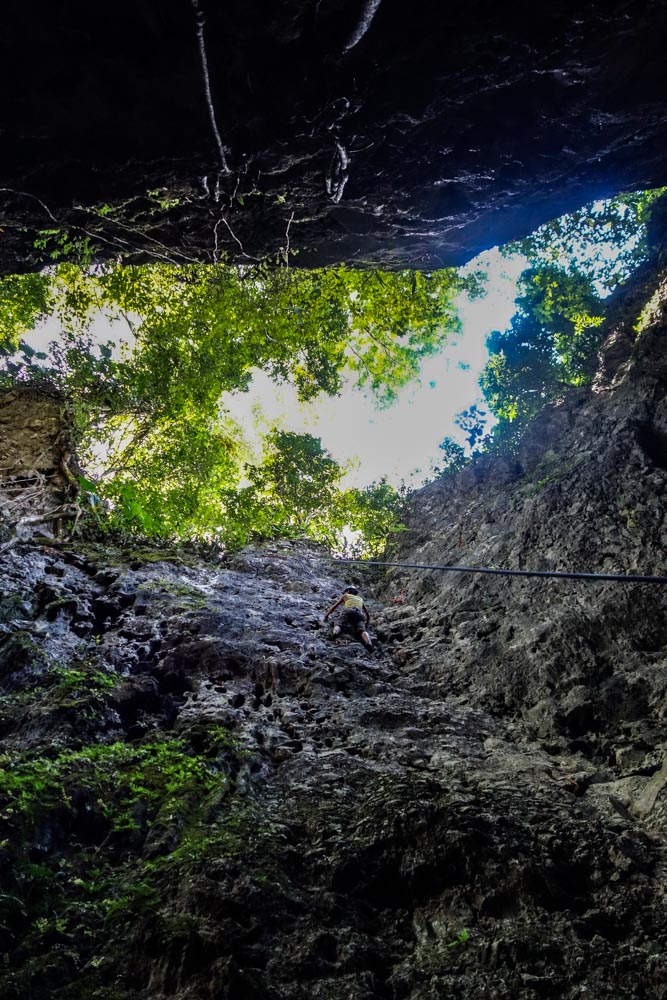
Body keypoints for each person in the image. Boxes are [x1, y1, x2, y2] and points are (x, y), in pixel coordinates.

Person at [323, 586, 373, 651]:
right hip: (359, 614)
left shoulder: (346, 595)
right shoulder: (360, 598)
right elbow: (368, 615)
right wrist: (366, 623)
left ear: (348, 591)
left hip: (349, 610)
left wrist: (326, 615)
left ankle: (335, 633)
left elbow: (334, 607)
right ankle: (368, 642)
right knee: (362, 630)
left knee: (339, 623)